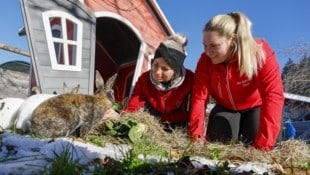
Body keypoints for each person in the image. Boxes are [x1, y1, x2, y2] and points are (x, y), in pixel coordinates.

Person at [189, 11, 285, 151]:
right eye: (205, 46)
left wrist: (263, 146)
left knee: (259, 142)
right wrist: (196, 136)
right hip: (225, 108)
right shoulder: (205, 61)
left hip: (255, 106)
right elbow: (199, 97)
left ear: (232, 40)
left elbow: (273, 95)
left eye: (214, 46)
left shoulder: (260, 52)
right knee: (217, 145)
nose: (208, 52)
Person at [125, 33, 194, 131]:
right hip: (151, 120)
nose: (157, 72)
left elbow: (188, 113)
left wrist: (161, 120)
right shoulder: (144, 79)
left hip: (176, 124)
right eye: (155, 64)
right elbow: (134, 105)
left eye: (165, 69)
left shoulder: (190, 80)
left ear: (175, 71)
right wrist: (124, 118)